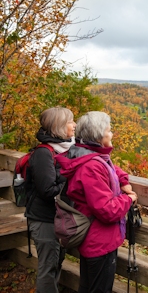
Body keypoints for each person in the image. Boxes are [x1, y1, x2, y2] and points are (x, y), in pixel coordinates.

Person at [56, 111, 137, 293]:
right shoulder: (91, 166)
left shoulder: (89, 156)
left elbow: (110, 168)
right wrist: (129, 199)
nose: (112, 134)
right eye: (109, 130)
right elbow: (107, 210)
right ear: (99, 135)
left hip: (95, 239)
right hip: (99, 241)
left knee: (90, 286)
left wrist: (123, 180)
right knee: (98, 289)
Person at [24, 107, 76, 293]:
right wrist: (72, 180)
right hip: (44, 220)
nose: (74, 125)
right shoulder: (43, 154)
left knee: (56, 263)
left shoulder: (67, 149)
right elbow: (47, 190)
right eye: (70, 121)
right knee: (48, 267)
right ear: (59, 127)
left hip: (57, 218)